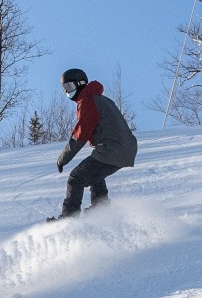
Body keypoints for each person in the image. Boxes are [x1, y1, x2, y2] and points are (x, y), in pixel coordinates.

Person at [50, 68, 138, 220]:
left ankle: (69, 218)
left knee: (76, 178)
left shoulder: (88, 101)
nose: (67, 93)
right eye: (64, 89)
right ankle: (101, 213)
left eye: (69, 87)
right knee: (94, 175)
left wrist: (63, 158)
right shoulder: (99, 99)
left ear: (80, 84)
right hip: (124, 148)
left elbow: (80, 135)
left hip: (113, 148)